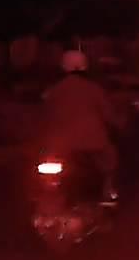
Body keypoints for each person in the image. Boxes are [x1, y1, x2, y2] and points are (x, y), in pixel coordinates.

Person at [41, 49, 124, 203]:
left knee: (49, 169)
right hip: (93, 142)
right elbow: (109, 115)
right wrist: (121, 124)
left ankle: (51, 194)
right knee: (110, 163)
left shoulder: (54, 91)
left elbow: (44, 116)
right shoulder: (93, 88)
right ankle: (108, 192)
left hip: (59, 144)